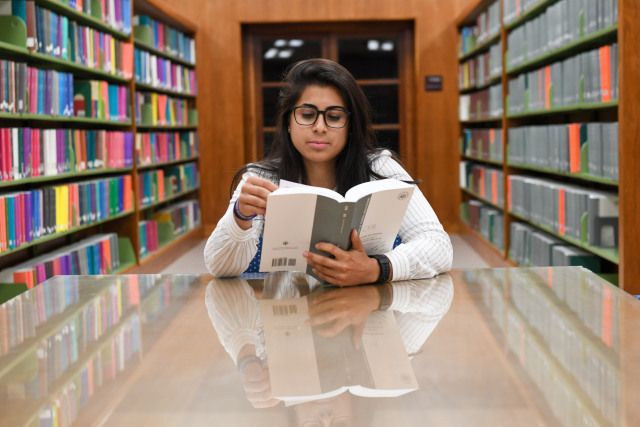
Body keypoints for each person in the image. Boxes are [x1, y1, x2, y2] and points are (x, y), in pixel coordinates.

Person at [204, 58, 452, 286]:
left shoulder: (380, 168)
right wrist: (240, 217)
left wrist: (378, 269)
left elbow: (439, 246)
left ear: (350, 127)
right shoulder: (260, 178)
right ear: (288, 123)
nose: (320, 127)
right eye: (307, 115)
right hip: (285, 321)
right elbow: (219, 268)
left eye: (334, 117)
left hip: (367, 315)